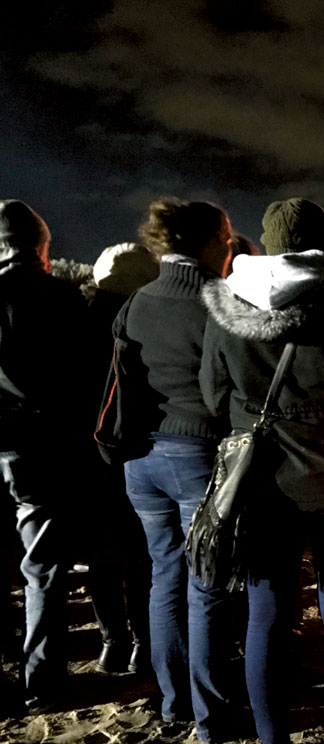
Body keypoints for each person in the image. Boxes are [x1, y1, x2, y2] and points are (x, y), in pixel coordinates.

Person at [200, 198, 324, 744]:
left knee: (267, 617)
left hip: (261, 487)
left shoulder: (227, 307)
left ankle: (274, 741)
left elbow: (213, 397)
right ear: (323, 245)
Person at [111, 199, 237, 742]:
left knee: (165, 575)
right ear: (210, 241)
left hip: (140, 460)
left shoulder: (137, 301)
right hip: (195, 453)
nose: (231, 248)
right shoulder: (219, 302)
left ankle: (172, 702)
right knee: (206, 585)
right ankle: (211, 715)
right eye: (228, 239)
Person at [1, 200, 89, 714]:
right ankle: (42, 681)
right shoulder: (63, 300)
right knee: (43, 571)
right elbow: (82, 381)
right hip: (39, 447)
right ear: (41, 247)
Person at [85, 243, 158, 674]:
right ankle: (145, 643)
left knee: (102, 551)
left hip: (90, 452)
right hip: (140, 449)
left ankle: (112, 640)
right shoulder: (147, 321)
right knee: (143, 553)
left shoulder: (78, 321)